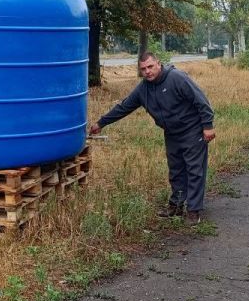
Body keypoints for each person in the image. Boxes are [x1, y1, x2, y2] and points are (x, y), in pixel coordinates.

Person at [89, 52, 215, 224]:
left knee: (194, 170)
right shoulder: (143, 89)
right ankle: (176, 205)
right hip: (171, 133)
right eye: (143, 69)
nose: (147, 71)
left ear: (158, 64)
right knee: (176, 170)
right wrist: (101, 123)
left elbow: (201, 100)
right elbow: (124, 107)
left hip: (192, 129)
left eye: (150, 66)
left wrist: (207, 126)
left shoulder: (177, 78)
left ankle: (193, 211)